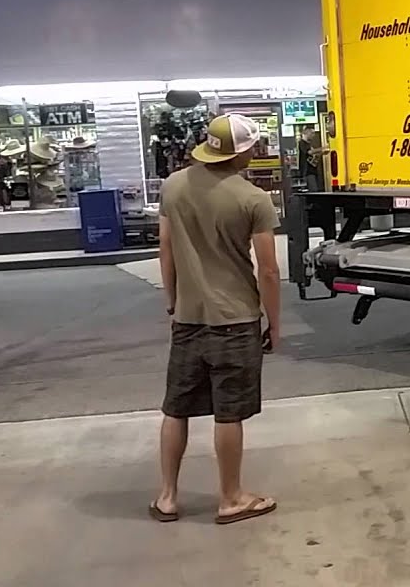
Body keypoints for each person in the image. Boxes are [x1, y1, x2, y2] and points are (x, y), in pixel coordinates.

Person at [151, 113, 283, 525]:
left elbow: (166, 250)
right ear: (244, 152)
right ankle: (230, 498)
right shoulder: (253, 199)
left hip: (188, 319)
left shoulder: (173, 185)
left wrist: (174, 300)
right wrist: (274, 323)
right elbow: (268, 270)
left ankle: (168, 497)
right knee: (229, 413)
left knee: (176, 409)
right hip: (236, 320)